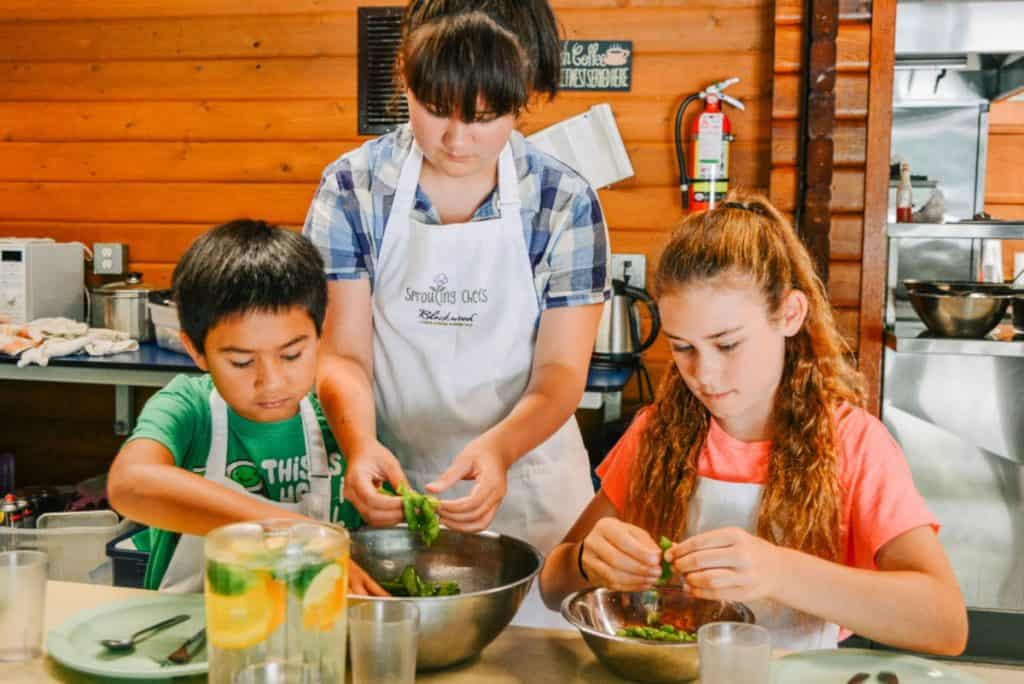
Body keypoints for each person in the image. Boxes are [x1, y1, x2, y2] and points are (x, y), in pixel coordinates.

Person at [538, 193, 968, 655]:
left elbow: (944, 623)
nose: (704, 374)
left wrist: (779, 572)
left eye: (727, 345)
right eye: (683, 347)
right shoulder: (656, 433)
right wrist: (586, 562)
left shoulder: (853, 443)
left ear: (790, 315)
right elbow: (552, 586)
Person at [303, 0, 610, 625]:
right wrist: (358, 445)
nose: (456, 139)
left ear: (520, 101)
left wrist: (496, 452)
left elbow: (558, 375)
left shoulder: (564, 200)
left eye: (484, 118)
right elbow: (343, 354)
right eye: (434, 110)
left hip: (532, 487)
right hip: (394, 488)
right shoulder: (354, 188)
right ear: (406, 84)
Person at [108, 220, 384, 595]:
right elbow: (130, 484)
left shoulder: (341, 416)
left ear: (320, 335)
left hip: (317, 640)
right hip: (192, 637)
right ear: (196, 351)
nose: (270, 381)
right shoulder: (188, 408)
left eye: (291, 355)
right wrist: (291, 531)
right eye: (240, 362)